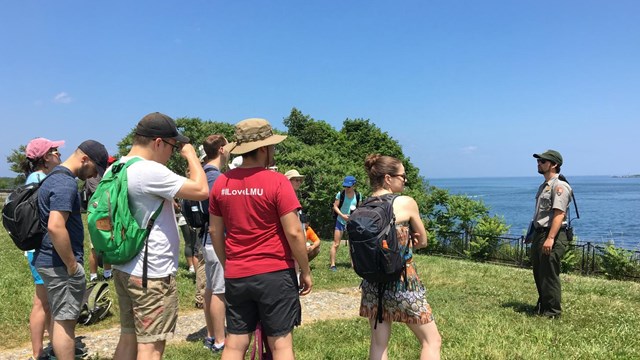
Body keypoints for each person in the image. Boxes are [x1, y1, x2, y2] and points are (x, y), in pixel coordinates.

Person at [209, 118, 312, 360]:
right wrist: (305, 270)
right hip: (275, 273)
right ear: (264, 148)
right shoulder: (277, 182)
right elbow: (295, 232)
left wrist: (228, 265)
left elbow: (215, 232)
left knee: (235, 342)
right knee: (281, 344)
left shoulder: (222, 182)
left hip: (237, 273)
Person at [111, 112, 209, 360]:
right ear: (158, 142)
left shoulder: (116, 167)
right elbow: (201, 189)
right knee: (151, 347)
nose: (172, 153)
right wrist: (191, 156)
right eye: (172, 147)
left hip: (125, 266)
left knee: (128, 338)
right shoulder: (149, 171)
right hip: (150, 274)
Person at [360, 154, 441, 360]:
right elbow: (423, 241)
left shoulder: (364, 204)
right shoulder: (405, 202)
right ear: (388, 178)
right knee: (431, 341)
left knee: (379, 343)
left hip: (372, 283)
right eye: (402, 176)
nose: (405, 180)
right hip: (403, 281)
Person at [34, 140, 109, 360]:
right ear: (84, 159)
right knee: (66, 322)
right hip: (60, 264)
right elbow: (55, 226)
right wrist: (72, 265)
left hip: (48, 259)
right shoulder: (65, 184)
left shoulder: (52, 178)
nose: (95, 174)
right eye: (95, 168)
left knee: (59, 316)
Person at [21, 137, 64, 360]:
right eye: (55, 151)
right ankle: (39, 353)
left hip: (35, 248)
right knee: (42, 302)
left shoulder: (35, 178)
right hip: (40, 249)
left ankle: (53, 347)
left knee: (47, 302)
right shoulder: (41, 180)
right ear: (45, 157)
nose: (59, 155)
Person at [530, 149, 572, 318]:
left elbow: (559, 214)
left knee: (549, 273)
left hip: (552, 234)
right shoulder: (545, 186)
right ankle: (543, 306)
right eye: (538, 161)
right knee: (539, 271)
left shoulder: (559, 186)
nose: (539, 164)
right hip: (541, 233)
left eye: (543, 161)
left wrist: (550, 238)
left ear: (554, 164)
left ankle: (553, 312)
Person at [200, 134, 229, 352]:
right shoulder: (217, 178)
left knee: (210, 288)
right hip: (216, 239)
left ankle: (210, 334)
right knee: (220, 291)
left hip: (204, 239)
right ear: (220, 149)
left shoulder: (201, 174)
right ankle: (220, 340)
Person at [88, 155, 117, 282]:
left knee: (108, 243)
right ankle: (93, 276)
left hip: (109, 214)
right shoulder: (94, 176)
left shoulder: (112, 177)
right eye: (110, 164)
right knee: (94, 247)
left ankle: (107, 273)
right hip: (96, 214)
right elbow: (101, 194)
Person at [329, 175, 361, 271]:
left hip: (352, 222)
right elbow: (335, 206)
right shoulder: (341, 194)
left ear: (354, 185)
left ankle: (353, 264)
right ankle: (332, 265)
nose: (346, 188)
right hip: (340, 220)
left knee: (352, 244)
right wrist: (342, 215)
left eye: (349, 186)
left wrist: (354, 217)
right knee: (336, 244)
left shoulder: (358, 195)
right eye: (345, 186)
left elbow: (359, 208)